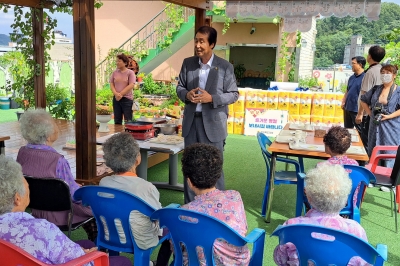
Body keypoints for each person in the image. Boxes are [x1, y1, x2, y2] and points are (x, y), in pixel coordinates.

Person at [0, 155, 131, 266]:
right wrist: (88, 257)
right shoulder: (41, 229)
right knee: (123, 261)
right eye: (26, 184)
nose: (29, 187)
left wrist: (79, 252)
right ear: (17, 198)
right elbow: (85, 264)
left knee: (85, 243)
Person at [176, 26, 239, 203]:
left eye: (202, 41)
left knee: (213, 168)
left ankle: (217, 209)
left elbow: (233, 94)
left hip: (213, 125)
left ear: (212, 44)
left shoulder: (225, 67)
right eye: (196, 40)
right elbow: (180, 87)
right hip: (191, 124)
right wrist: (186, 95)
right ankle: (190, 207)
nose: (197, 45)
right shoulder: (188, 63)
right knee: (190, 167)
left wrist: (211, 98)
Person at [16, 109, 97, 241]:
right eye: (54, 123)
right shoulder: (57, 160)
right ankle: (97, 244)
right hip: (62, 214)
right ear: (48, 135)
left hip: (35, 209)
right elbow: (74, 195)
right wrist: (82, 190)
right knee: (94, 202)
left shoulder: (22, 152)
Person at [274, 163, 369, 266]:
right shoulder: (355, 230)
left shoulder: (291, 225)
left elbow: (280, 259)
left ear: (309, 198)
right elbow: (364, 262)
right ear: (345, 200)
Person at [99, 132, 171, 266]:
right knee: (171, 226)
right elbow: (158, 217)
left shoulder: (103, 183)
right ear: (137, 159)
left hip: (110, 235)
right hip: (140, 240)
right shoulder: (146, 187)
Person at [180, 143, 250, 265]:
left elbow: (177, 247)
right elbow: (243, 228)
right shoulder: (235, 197)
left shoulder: (185, 213)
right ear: (217, 175)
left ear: (189, 181)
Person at [360, 64, 400, 168]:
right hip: (375, 126)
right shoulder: (376, 89)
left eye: (388, 73)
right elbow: (363, 100)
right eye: (382, 73)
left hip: (391, 127)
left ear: (394, 75)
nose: (384, 75)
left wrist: (390, 116)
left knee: (389, 153)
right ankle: (372, 176)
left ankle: (388, 178)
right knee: (373, 150)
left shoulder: (398, 91)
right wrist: (370, 113)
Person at [355, 45, 386, 151]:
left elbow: (364, 95)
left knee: (365, 140)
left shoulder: (371, 72)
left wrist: (360, 114)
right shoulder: (383, 70)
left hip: (368, 112)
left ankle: (365, 164)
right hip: (379, 111)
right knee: (374, 140)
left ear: (369, 56)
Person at [110, 53, 136, 124]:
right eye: (116, 61)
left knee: (128, 121)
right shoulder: (115, 73)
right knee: (117, 120)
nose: (117, 63)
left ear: (125, 63)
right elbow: (111, 84)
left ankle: (128, 135)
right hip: (116, 99)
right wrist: (116, 94)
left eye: (119, 61)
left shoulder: (130, 73)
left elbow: (131, 85)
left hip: (127, 99)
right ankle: (118, 134)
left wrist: (120, 94)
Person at [342, 56, 366, 134]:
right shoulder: (352, 77)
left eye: (353, 63)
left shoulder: (365, 77)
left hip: (357, 109)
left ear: (360, 64)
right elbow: (347, 90)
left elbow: (365, 95)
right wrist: (343, 101)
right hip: (348, 108)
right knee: (347, 130)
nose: (352, 65)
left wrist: (361, 113)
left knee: (360, 131)